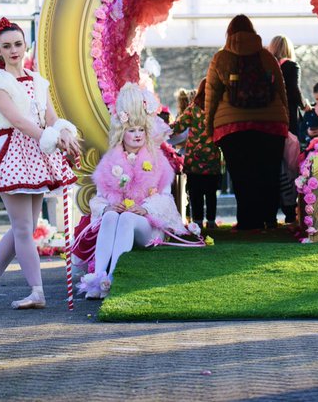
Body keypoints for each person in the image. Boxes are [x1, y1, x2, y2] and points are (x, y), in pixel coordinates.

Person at [0, 18, 79, 310]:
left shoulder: (39, 81)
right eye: (6, 46)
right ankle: (36, 291)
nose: (13, 50)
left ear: (25, 45)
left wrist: (64, 132)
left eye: (17, 44)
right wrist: (51, 138)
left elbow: (50, 117)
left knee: (23, 228)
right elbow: (17, 120)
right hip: (13, 152)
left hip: (38, 152)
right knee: (22, 226)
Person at [77, 83, 189, 298]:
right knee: (110, 215)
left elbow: (166, 198)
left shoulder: (158, 161)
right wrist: (110, 206)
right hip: (118, 218)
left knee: (127, 217)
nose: (137, 135)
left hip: (146, 224)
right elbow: (98, 201)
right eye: (131, 130)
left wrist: (145, 208)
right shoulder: (109, 162)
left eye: (141, 130)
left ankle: (113, 277)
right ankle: (98, 276)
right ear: (122, 133)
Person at [205, 15, 289, 230]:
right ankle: (269, 220)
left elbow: (212, 94)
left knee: (242, 175)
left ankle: (247, 222)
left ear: (229, 33)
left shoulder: (220, 58)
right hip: (271, 123)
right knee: (268, 173)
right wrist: (285, 118)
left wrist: (209, 126)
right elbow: (281, 88)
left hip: (233, 126)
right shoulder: (266, 56)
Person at [170, 78, 222, 230]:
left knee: (195, 192)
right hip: (212, 158)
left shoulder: (193, 108)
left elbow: (179, 126)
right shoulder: (219, 108)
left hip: (194, 159)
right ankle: (211, 222)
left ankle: (197, 222)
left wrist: (161, 129)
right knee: (211, 193)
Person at [269, 35, 305, 223]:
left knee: (274, 167)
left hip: (269, 122)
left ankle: (270, 214)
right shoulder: (291, 66)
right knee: (291, 167)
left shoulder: (267, 67)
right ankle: (291, 210)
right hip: (288, 122)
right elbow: (294, 90)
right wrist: (304, 105)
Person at [298, 80, 318, 147]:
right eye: (317, 99)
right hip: (313, 149)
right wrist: (308, 133)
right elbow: (300, 135)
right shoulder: (310, 111)